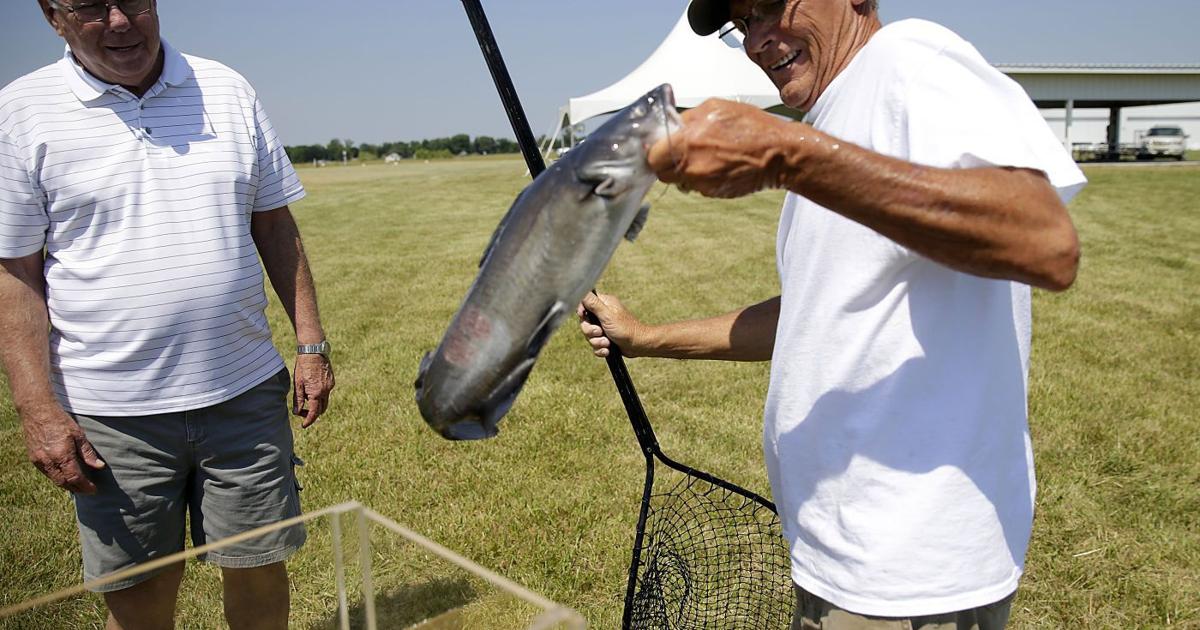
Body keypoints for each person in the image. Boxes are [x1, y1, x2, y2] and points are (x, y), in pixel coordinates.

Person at [579, 0, 1086, 628]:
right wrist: (645, 338)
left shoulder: (911, 60)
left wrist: (788, 156)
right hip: (839, 559)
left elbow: (1044, 241)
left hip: (909, 577)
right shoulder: (837, 113)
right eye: (744, 24)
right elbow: (814, 313)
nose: (759, 40)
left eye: (770, 5)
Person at [0, 1, 334, 628]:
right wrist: (37, 409)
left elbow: (273, 222)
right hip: (113, 415)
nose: (120, 20)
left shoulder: (226, 89)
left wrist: (310, 344)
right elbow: (15, 273)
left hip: (242, 393)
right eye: (91, 5)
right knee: (140, 595)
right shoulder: (20, 111)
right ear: (53, 16)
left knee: (259, 565)